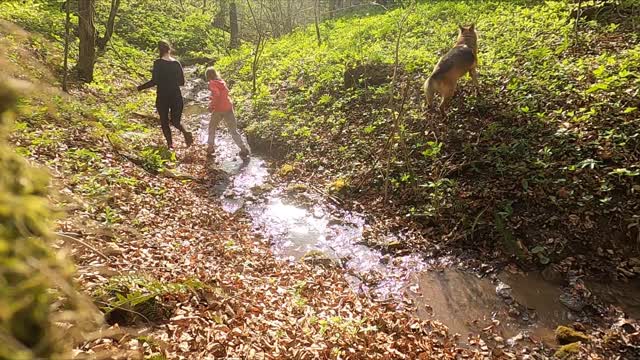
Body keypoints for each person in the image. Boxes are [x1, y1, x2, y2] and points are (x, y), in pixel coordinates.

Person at [137, 40, 193, 150]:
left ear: (159, 51)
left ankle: (170, 145)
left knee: (164, 121)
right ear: (169, 49)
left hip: (163, 96)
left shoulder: (157, 63)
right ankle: (186, 133)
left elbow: (154, 81)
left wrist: (140, 88)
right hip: (176, 96)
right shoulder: (177, 63)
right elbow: (182, 82)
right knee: (175, 121)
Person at [205, 67, 250, 158]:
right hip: (228, 108)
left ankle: (210, 148)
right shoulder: (222, 82)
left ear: (208, 76)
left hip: (218, 110)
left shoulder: (212, 83)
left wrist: (211, 106)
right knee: (233, 131)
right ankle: (243, 149)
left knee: (212, 128)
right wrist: (212, 98)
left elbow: (217, 95)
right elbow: (223, 94)